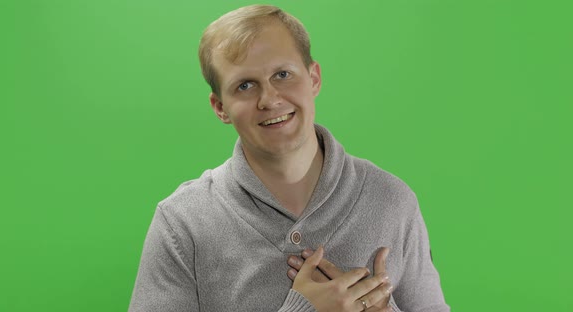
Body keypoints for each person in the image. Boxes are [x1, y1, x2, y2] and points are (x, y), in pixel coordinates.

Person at [129, 4, 449, 312]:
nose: (269, 99)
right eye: (244, 85)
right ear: (220, 107)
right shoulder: (182, 222)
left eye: (282, 74)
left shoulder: (392, 200)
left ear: (313, 79)